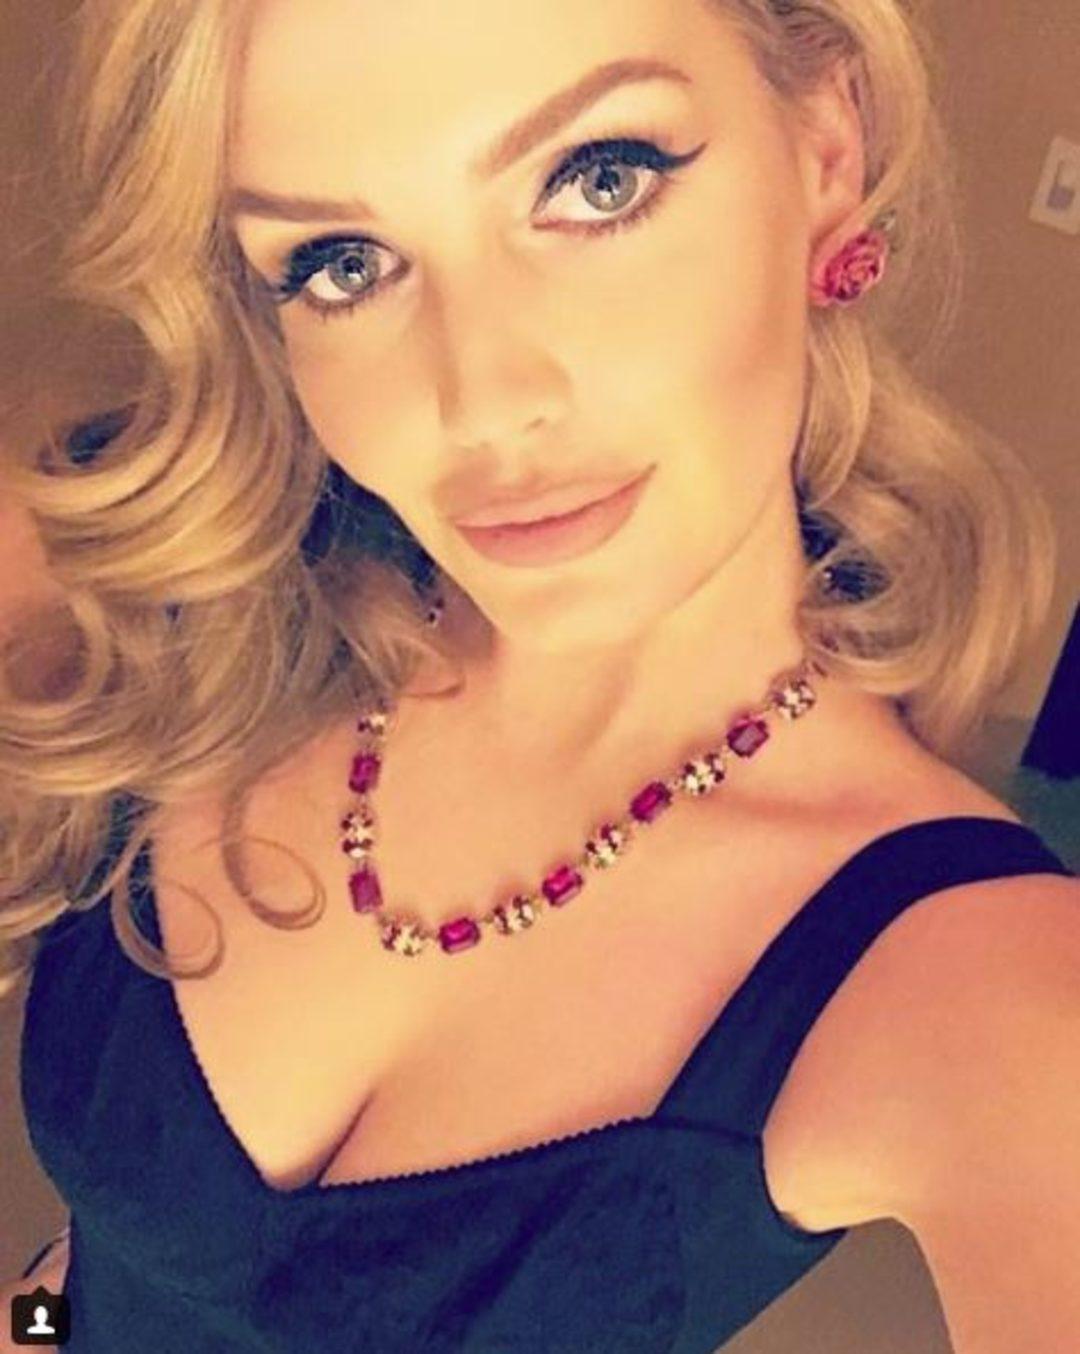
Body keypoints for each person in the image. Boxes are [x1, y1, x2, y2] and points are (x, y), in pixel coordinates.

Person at [1, 1, 1076, 1351]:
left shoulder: (987, 995)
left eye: (598, 180)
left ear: (824, 147)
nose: (483, 402)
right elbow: (97, 1265)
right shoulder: (169, 588)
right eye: (341, 264)